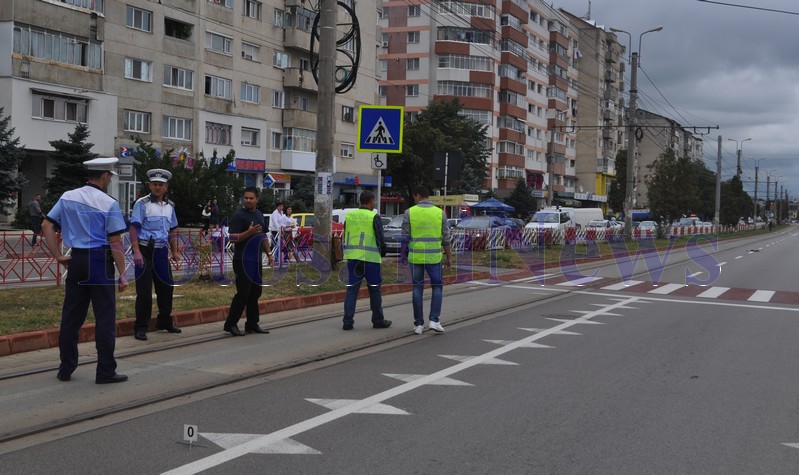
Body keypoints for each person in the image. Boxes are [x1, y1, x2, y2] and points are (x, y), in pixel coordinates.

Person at [41, 157, 129, 384]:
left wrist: (58, 256)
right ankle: (105, 372)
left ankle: (66, 367)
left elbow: (46, 225)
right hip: (99, 262)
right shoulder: (108, 203)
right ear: (105, 176)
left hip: (77, 259)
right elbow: (115, 240)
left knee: (71, 316)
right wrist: (122, 272)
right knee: (105, 317)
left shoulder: (67, 197)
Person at [129, 169, 181, 341]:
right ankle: (141, 327)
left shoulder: (170, 206)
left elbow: (173, 230)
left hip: (161, 251)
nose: (158, 187)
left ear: (166, 187)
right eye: (155, 184)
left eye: (161, 185)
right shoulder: (142, 204)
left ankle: (164, 321)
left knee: (166, 287)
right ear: (150, 185)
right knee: (144, 292)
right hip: (144, 250)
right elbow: (133, 228)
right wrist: (136, 251)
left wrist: (174, 251)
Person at [223, 187, 274, 336]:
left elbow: (263, 235)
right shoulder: (239, 216)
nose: (248, 200)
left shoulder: (259, 215)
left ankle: (252, 324)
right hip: (242, 260)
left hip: (256, 260)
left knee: (255, 293)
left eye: (251, 198)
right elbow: (232, 238)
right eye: (246, 198)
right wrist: (248, 232)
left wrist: (269, 253)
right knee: (243, 293)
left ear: (257, 199)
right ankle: (230, 324)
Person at [402, 185, 452, 335]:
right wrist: (449, 257)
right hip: (434, 258)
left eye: (414, 196)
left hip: (416, 257)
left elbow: (405, 237)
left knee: (417, 289)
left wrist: (403, 255)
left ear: (417, 195)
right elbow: (446, 238)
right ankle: (434, 321)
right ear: (428, 196)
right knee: (437, 288)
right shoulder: (440, 213)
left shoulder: (409, 212)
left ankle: (418, 325)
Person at [342, 190, 392, 331]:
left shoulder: (350, 216)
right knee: (375, 290)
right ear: (371, 201)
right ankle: (378, 320)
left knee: (352, 290)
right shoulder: (373, 216)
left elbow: (346, 233)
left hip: (353, 258)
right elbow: (380, 238)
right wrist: (382, 252)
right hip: (371, 260)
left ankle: (347, 321)